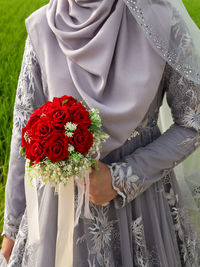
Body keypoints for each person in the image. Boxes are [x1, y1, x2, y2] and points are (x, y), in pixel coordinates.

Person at [1, 0, 200, 266]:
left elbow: (192, 120)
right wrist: (11, 230)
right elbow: (23, 134)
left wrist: (121, 179)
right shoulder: (43, 26)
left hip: (141, 210)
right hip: (59, 220)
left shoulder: (161, 21)